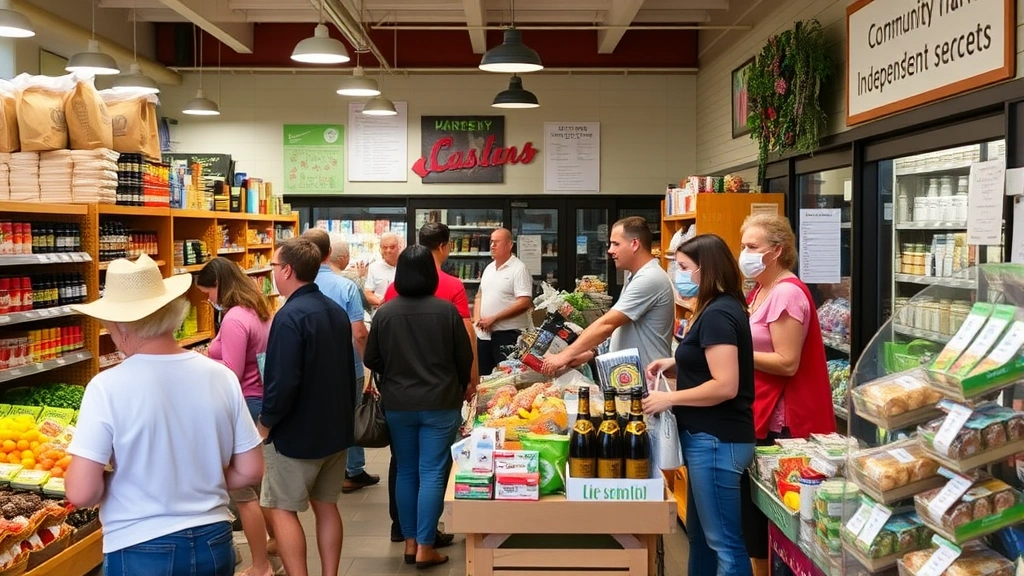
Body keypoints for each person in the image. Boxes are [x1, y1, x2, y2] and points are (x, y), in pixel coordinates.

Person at [65, 254, 264, 575]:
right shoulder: (220, 376)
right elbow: (252, 470)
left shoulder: (107, 387)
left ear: (120, 326)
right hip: (214, 538)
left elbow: (82, 492)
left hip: (140, 545)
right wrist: (199, 479)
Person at [641, 234, 755, 576]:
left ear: (706, 269)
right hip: (706, 436)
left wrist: (669, 397)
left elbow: (725, 384)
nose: (680, 274)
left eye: (685, 267)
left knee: (725, 543)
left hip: (717, 439)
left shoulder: (720, 313)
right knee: (703, 538)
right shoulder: (713, 308)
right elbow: (707, 362)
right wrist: (671, 364)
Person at [364, 245, 473, 570]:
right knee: (432, 473)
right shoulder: (446, 312)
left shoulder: (385, 312)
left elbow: (372, 359)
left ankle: (410, 543)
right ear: (429, 273)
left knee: (407, 472)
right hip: (440, 403)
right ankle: (426, 545)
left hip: (399, 404)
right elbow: (463, 357)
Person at [739, 214, 836, 569]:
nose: (744, 254)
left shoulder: (786, 294)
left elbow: (787, 362)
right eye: (743, 246)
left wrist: (735, 353)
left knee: (781, 519)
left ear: (777, 251)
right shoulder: (761, 290)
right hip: (760, 414)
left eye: (752, 247)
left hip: (785, 426)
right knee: (756, 516)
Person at [258, 237, 357, 576]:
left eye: (273, 265)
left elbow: (282, 381)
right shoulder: (334, 310)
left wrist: (266, 424)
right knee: (327, 506)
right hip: (334, 430)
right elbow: (347, 370)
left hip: (296, 435)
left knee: (283, 510)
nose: (272, 271)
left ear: (286, 270)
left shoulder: (289, 317)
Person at [196, 257, 275, 576]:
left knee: (243, 494)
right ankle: (276, 544)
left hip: (240, 404)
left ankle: (261, 565)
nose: (207, 299)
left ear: (220, 286)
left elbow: (230, 372)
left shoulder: (233, 319)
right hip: (258, 399)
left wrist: (202, 366)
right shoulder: (258, 310)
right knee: (261, 487)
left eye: (208, 292)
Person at [541, 216, 673, 374]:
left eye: (616, 244)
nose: (610, 250)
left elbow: (607, 324)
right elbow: (622, 330)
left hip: (647, 379)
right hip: (629, 376)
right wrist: (590, 353)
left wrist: (563, 356)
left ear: (635, 244)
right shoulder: (635, 276)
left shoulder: (649, 278)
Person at [302, 229, 379, 494]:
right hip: (346, 365)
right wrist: (370, 366)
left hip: (310, 366)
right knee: (352, 415)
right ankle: (352, 470)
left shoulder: (299, 283)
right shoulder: (345, 285)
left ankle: (318, 469)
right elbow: (359, 333)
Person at [474, 228, 533, 375]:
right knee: (485, 378)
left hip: (508, 335)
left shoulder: (519, 269)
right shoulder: (489, 268)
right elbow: (479, 296)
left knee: (507, 378)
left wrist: (494, 318)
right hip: (485, 335)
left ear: (509, 245)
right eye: (491, 242)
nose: (492, 245)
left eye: (496, 242)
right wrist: (477, 321)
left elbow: (524, 302)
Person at [364, 231, 402, 317]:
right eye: (385, 247)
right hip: (380, 315)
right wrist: (383, 304)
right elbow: (368, 293)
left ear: (399, 247)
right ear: (380, 248)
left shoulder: (407, 266)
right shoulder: (374, 267)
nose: (388, 250)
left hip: (400, 315)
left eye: (392, 247)